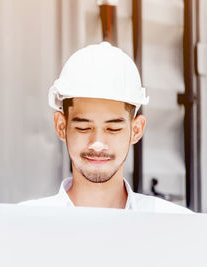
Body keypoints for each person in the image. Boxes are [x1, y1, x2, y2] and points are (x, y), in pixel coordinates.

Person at [20, 42, 192, 213]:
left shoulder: (173, 223)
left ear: (136, 130)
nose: (97, 143)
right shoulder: (27, 222)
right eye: (83, 128)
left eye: (113, 129)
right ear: (61, 126)